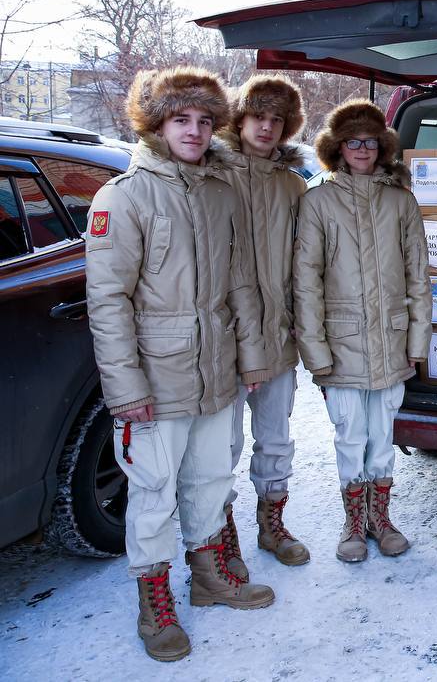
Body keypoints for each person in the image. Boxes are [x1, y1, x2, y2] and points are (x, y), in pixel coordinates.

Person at [85, 67, 275, 662]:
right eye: (179, 120)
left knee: (211, 479)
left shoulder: (220, 192)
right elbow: (108, 300)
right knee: (152, 492)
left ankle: (210, 579)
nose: (193, 131)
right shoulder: (123, 195)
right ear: (156, 125)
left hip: (217, 371)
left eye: (201, 120)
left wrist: (251, 357)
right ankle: (154, 603)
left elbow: (241, 281)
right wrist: (124, 387)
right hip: (155, 376)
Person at [293, 99, 430, 563]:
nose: (362, 149)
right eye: (353, 141)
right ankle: (353, 522)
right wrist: (315, 351)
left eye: (370, 141)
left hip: (390, 341)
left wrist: (417, 341)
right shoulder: (318, 201)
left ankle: (381, 518)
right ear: (337, 147)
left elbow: (418, 277)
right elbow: (305, 282)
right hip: (342, 341)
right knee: (350, 434)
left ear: (382, 146)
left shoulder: (401, 202)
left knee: (381, 434)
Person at [217, 74, 311, 570]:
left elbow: (305, 260)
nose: (267, 126)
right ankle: (221, 532)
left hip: (277, 333)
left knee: (275, 436)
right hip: (224, 338)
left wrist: (301, 319)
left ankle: (272, 524)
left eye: (278, 119)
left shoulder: (293, 185)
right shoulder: (212, 175)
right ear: (240, 117)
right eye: (259, 116)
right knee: (223, 445)